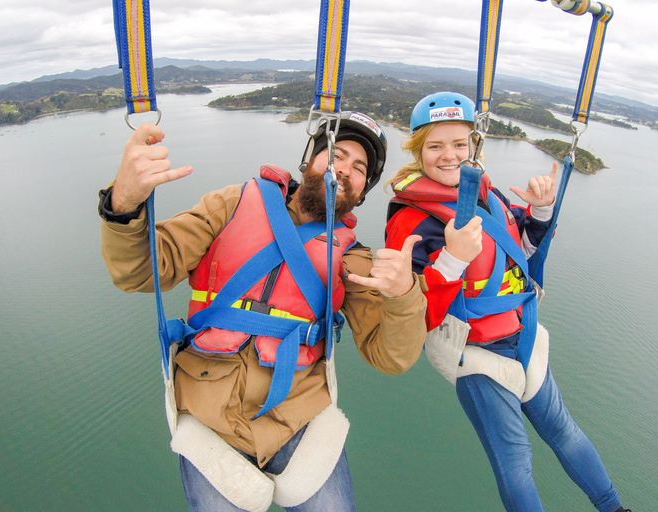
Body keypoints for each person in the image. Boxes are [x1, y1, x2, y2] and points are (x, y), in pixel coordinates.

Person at [98, 111, 427, 512]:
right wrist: (124, 204)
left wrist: (405, 294)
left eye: (359, 169)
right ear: (310, 160)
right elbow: (141, 271)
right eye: (336, 155)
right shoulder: (233, 203)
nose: (344, 170)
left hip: (298, 414)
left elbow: (390, 357)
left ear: (361, 192)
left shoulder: (352, 259)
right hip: (208, 408)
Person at [384, 92, 631, 512]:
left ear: (474, 146)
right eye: (435, 146)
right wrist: (452, 257)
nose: (449, 156)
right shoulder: (409, 220)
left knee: (564, 432)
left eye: (459, 144)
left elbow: (523, 251)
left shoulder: (490, 197)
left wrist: (541, 208)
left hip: (523, 337)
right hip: (476, 354)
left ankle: (614, 507)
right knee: (516, 462)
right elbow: (414, 313)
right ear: (418, 150)